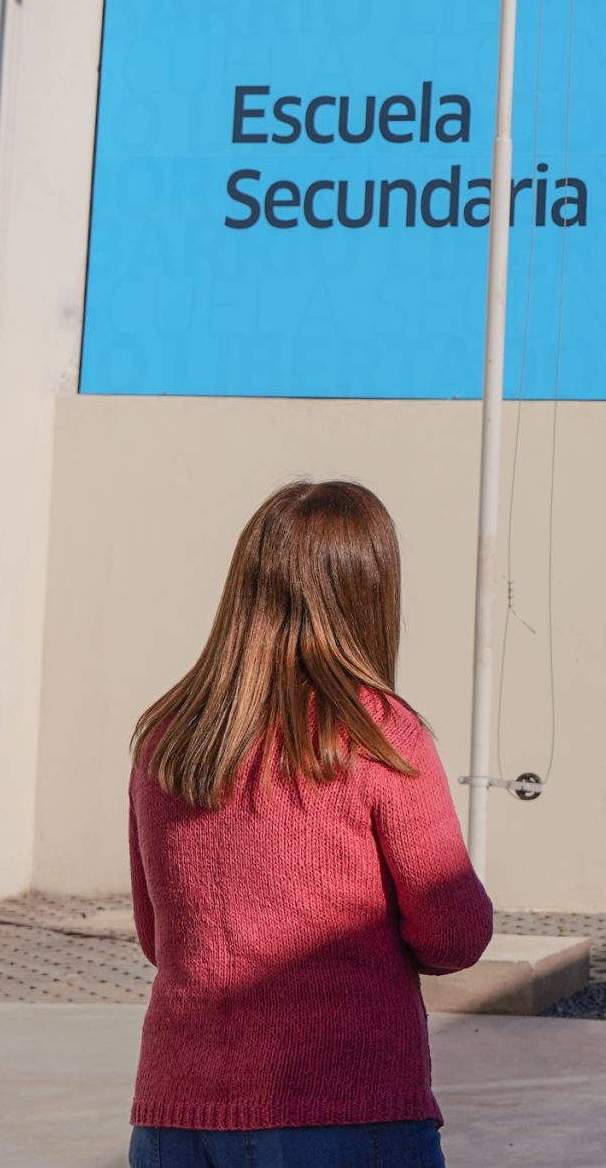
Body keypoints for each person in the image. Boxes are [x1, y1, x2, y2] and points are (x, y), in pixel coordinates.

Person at [126, 481, 492, 1168]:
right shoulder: (379, 735)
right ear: (370, 594)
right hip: (345, 1107)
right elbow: (455, 933)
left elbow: (158, 937)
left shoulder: (167, 737)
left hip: (177, 1116)